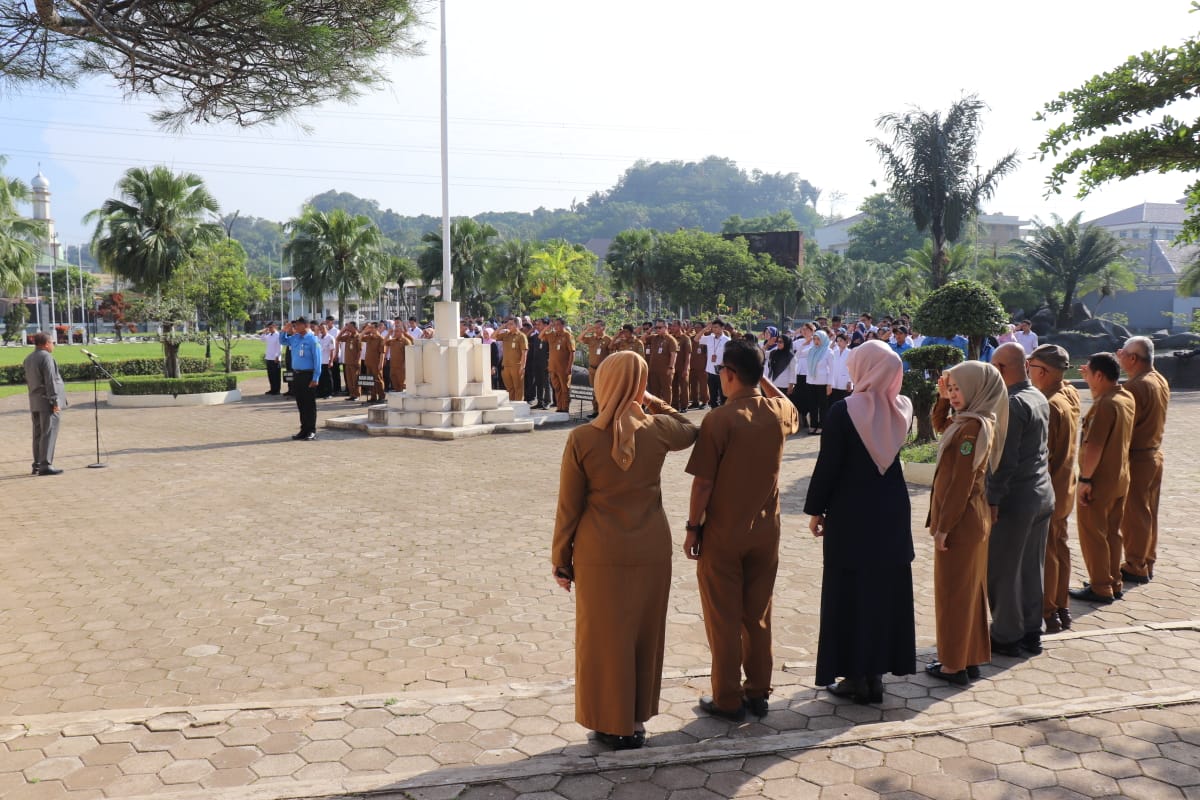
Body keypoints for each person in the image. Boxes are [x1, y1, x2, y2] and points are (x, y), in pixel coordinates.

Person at [552, 352, 698, 750]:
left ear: (602, 384)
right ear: (640, 384)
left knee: (602, 638)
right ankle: (634, 722)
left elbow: (568, 508)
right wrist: (649, 400)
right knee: (644, 634)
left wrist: (561, 560)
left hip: (598, 551)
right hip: (651, 547)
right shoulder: (659, 430)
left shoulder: (582, 438)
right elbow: (691, 428)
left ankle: (609, 721)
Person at [684, 339, 800, 720]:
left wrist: (692, 528)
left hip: (723, 533)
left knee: (724, 618)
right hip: (766, 531)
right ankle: (758, 691)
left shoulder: (720, 419)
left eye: (722, 370)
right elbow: (790, 406)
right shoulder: (777, 412)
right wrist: (761, 380)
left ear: (729, 374)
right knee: (758, 614)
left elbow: (703, 484)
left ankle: (727, 698)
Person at [805, 341, 916, 704]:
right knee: (883, 590)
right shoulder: (903, 407)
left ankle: (855, 677)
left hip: (851, 513)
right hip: (891, 512)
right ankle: (876, 676)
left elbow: (829, 465)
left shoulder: (845, 410)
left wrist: (816, 509)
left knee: (850, 591)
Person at [926, 361, 1008, 685]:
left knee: (953, 596)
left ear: (977, 389)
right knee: (969, 593)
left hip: (961, 523)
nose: (954, 394)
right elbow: (939, 425)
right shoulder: (968, 420)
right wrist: (942, 397)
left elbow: (960, 484)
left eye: (959, 388)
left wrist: (943, 528)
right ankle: (968, 658)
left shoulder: (972, 428)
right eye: (951, 388)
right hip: (969, 520)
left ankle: (953, 666)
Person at [985, 343, 1054, 658]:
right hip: (1040, 491)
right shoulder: (1037, 395)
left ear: (1000, 368)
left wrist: (992, 499)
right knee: (1030, 568)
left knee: (1002, 570)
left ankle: (1006, 635)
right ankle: (1030, 630)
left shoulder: (1012, 404)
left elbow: (1004, 460)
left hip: (1016, 497)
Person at [1070, 353, 1136, 604]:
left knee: (1093, 534)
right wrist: (1092, 380)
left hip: (1099, 480)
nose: (1086, 376)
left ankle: (1100, 586)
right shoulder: (1125, 397)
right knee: (1111, 533)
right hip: (1119, 476)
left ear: (1099, 375)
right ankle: (1113, 581)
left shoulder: (1105, 405)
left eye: (1089, 373)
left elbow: (1094, 446)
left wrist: (1085, 479)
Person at [1027, 344, 1081, 633]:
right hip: (1065, 485)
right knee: (1060, 546)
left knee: (1048, 551)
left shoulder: (1047, 404)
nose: (1028, 371)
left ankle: (1048, 611)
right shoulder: (1069, 393)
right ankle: (1062, 607)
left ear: (1044, 371)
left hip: (1049, 487)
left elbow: (1041, 455)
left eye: (1032, 367)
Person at [1117, 336, 1170, 584]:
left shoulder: (1135, 386)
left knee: (1134, 514)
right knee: (1148, 511)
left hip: (1138, 457)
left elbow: (1125, 426)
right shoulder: (1158, 379)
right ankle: (1146, 559)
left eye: (1122, 353)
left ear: (1133, 358)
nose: (1119, 356)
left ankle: (1135, 564)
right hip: (1153, 454)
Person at [24, 332, 67, 476]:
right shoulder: (46, 357)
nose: (54, 345)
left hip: (35, 400)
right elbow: (50, 380)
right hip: (47, 401)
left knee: (38, 434)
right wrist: (54, 401)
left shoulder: (29, 358)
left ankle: (37, 464)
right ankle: (45, 465)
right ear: (46, 344)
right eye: (52, 342)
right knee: (48, 433)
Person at [279, 318, 322, 440]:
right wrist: (284, 330)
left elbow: (317, 360)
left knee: (309, 404)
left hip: (308, 375)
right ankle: (304, 429)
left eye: (297, 325)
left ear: (305, 325)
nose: (295, 327)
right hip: (297, 375)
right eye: (294, 325)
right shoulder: (295, 338)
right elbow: (283, 341)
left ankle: (311, 430)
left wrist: (316, 377)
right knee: (301, 403)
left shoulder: (312, 339)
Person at [542, 318, 576, 412]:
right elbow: (541, 336)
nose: (556, 326)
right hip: (553, 367)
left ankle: (565, 408)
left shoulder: (567, 335)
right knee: (557, 388)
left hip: (563, 368)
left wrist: (569, 367)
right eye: (555, 325)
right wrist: (548, 327)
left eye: (558, 324)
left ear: (563, 325)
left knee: (565, 388)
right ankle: (559, 407)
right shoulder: (552, 335)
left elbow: (572, 352)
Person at [580, 320, 612, 418]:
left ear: (603, 328)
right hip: (592, 369)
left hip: (602, 370)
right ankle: (595, 410)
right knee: (593, 390)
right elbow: (580, 338)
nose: (595, 329)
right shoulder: (592, 338)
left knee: (603, 390)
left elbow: (612, 355)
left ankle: (603, 410)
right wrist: (587, 330)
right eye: (595, 327)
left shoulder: (608, 339)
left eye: (597, 327)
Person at [698, 320, 730, 409]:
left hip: (722, 372)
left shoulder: (727, 340)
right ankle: (714, 413)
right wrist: (705, 329)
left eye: (716, 327)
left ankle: (724, 414)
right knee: (713, 396)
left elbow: (729, 355)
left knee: (723, 396)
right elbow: (696, 339)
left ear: (722, 328)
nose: (714, 329)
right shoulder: (710, 338)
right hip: (711, 371)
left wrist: (722, 364)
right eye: (713, 327)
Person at [494, 318, 528, 402]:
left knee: (518, 388)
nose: (509, 326)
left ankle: (518, 406)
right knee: (510, 389)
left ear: (517, 325)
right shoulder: (506, 334)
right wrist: (502, 327)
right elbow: (493, 336)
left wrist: (522, 367)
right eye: (508, 324)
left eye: (511, 324)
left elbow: (524, 353)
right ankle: (511, 405)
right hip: (506, 366)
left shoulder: (521, 336)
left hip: (516, 366)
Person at [645, 319, 678, 402]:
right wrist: (649, 331)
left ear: (666, 327)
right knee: (655, 391)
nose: (657, 329)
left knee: (666, 390)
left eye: (659, 327)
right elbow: (641, 340)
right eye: (656, 327)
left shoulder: (671, 340)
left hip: (665, 370)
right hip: (653, 370)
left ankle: (667, 408)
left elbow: (673, 355)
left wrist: (671, 367)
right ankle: (657, 408)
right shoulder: (654, 338)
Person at [806, 330, 833, 435]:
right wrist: (805, 342)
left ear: (824, 339)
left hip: (822, 383)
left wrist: (829, 384)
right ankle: (813, 425)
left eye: (818, 339)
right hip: (811, 381)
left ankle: (822, 426)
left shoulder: (828, 352)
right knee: (812, 405)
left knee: (823, 406)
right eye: (814, 339)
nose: (816, 341)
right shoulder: (811, 350)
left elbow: (832, 370)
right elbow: (798, 355)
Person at [670, 320, 692, 412]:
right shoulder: (671, 338)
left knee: (683, 387)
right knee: (674, 386)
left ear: (680, 327)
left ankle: (684, 406)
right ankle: (675, 405)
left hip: (683, 367)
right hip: (674, 367)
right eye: (672, 326)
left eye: (674, 326)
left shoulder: (685, 338)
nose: (672, 327)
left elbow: (688, 355)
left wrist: (686, 369)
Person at [386, 321, 414, 393]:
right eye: (395, 331)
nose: (395, 333)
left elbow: (410, 354)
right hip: (393, 366)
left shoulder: (406, 341)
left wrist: (405, 365)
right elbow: (383, 343)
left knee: (402, 385)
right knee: (394, 383)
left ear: (402, 332)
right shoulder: (392, 340)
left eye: (397, 331)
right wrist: (389, 334)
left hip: (401, 367)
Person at [337, 323, 363, 400]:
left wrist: (357, 361)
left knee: (355, 379)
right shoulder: (348, 336)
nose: (348, 328)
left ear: (355, 327)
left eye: (350, 327)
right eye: (348, 327)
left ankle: (357, 395)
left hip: (354, 362)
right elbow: (338, 339)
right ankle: (352, 394)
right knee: (349, 380)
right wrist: (343, 331)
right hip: (348, 362)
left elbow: (360, 350)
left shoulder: (358, 337)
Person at [688, 321, 709, 409]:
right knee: (693, 385)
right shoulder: (691, 339)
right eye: (695, 327)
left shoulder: (706, 339)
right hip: (692, 366)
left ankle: (705, 402)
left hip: (703, 367)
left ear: (703, 329)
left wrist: (707, 366)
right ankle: (695, 402)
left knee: (703, 385)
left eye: (698, 327)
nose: (696, 329)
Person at [259, 323, 282, 395]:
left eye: (271, 327)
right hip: (269, 357)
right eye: (269, 327)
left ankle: (277, 390)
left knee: (276, 375)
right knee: (270, 375)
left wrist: (277, 356)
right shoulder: (269, 335)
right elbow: (262, 340)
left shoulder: (278, 335)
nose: (270, 329)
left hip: (275, 358)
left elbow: (279, 347)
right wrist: (264, 332)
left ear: (275, 327)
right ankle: (272, 389)